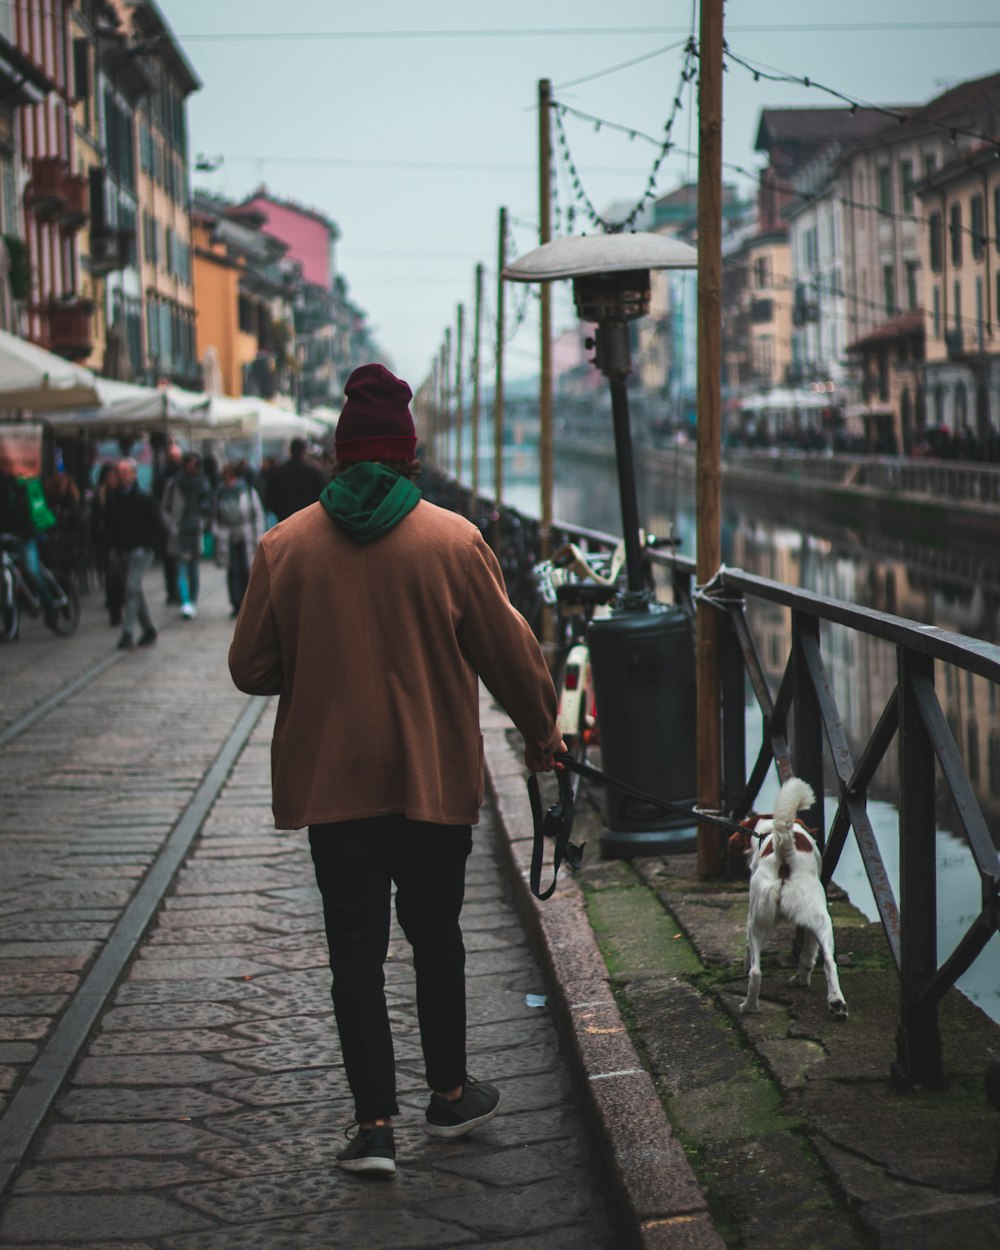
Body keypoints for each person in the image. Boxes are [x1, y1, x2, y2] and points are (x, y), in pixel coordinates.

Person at [229, 363, 565, 1178]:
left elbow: (250, 666)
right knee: (437, 938)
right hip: (430, 781)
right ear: (411, 458)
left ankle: (373, 1127)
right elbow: (511, 657)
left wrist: (320, 655)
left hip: (333, 787)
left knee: (354, 951)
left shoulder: (285, 545)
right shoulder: (454, 541)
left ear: (340, 458)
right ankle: (448, 1095)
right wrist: (542, 730)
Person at [105, 458, 162, 650]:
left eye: (124, 471)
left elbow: (157, 523)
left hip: (139, 551)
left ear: (134, 474)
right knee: (134, 590)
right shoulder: (113, 497)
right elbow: (107, 523)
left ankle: (127, 633)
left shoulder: (145, 497)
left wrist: (148, 544)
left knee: (131, 588)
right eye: (118, 472)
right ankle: (149, 629)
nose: (120, 475)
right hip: (120, 551)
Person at [161, 451, 211, 619]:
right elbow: (165, 508)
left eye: (194, 463)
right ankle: (185, 602)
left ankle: (192, 600)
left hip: (195, 530)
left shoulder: (203, 484)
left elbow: (209, 505)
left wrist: (204, 521)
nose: (191, 466)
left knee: (193, 569)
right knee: (181, 569)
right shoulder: (174, 484)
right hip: (179, 531)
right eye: (188, 463)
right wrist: (171, 526)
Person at [212, 461, 266, 616]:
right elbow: (215, 515)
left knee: (246, 568)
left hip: (246, 533)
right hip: (227, 535)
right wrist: (217, 531)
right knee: (232, 570)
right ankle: (236, 604)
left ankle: (247, 602)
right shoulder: (220, 493)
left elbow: (257, 513)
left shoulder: (248, 491)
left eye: (231, 477)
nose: (229, 481)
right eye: (226, 478)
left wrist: (258, 534)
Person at [264, 437, 327, 522]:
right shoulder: (315, 472)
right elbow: (323, 496)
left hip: (286, 521)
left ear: (290, 450)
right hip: (309, 520)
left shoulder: (279, 472)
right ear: (304, 450)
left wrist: (280, 512)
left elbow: (270, 499)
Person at [152, 442, 184, 605]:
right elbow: (159, 502)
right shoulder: (164, 477)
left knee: (180, 560)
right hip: (167, 524)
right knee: (170, 560)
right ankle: (172, 590)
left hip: (181, 523)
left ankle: (180, 591)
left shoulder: (182, 476)